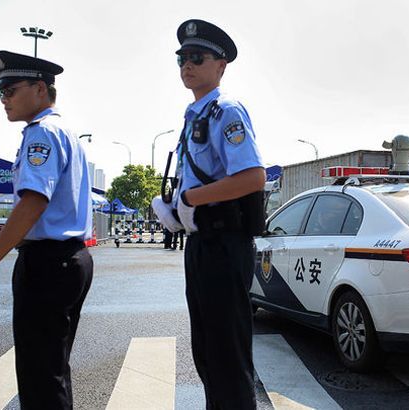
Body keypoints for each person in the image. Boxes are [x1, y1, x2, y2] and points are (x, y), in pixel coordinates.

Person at [0, 50, 93, 410]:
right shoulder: (63, 130)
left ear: (39, 88)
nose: (3, 98)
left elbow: (32, 204)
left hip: (48, 263)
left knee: (40, 376)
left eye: (10, 89)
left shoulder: (42, 134)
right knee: (51, 368)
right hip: (70, 258)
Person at [152, 19, 265, 409]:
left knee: (226, 356)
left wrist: (194, 199)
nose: (187, 64)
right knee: (207, 352)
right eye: (182, 57)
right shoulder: (193, 115)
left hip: (225, 243)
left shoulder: (225, 111)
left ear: (221, 66)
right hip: (201, 244)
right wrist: (175, 207)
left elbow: (253, 177)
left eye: (197, 57)